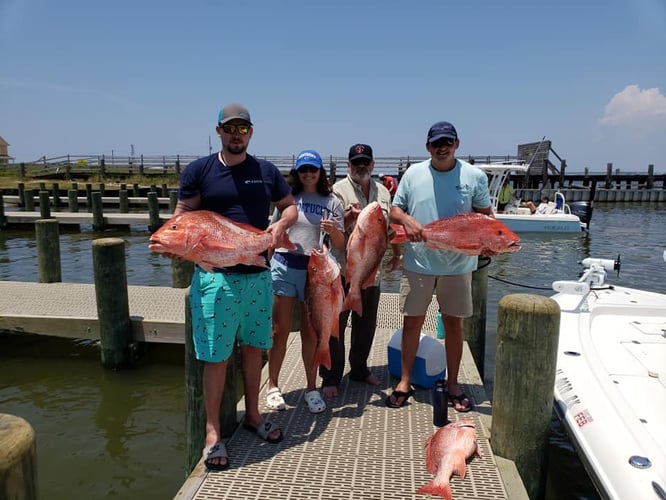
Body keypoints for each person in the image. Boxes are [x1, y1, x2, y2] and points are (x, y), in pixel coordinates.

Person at [175, 103, 297, 471]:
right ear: (218, 132)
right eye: (230, 128)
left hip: (258, 274)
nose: (236, 134)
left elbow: (289, 207)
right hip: (215, 278)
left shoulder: (266, 171)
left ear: (251, 132)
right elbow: (183, 216)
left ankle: (254, 415)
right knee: (215, 355)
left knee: (255, 348)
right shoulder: (200, 170)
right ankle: (213, 432)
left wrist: (278, 228)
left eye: (242, 128)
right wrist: (181, 242)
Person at [387, 121, 493, 412]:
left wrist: (486, 243)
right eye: (436, 143)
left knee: (454, 326)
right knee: (412, 322)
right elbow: (396, 210)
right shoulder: (413, 173)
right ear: (428, 147)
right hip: (419, 261)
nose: (442, 147)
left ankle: (454, 383)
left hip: (459, 265)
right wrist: (408, 221)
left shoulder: (474, 176)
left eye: (447, 142)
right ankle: (405, 381)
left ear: (457, 144)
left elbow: (485, 217)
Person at [319, 143, 403, 398]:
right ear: (349, 166)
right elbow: (328, 233)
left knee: (366, 324)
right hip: (344, 271)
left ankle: (359, 369)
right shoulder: (337, 191)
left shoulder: (383, 193)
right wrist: (347, 218)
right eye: (356, 163)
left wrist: (398, 254)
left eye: (365, 162)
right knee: (336, 325)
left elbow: (387, 231)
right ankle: (331, 377)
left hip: (372, 271)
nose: (361, 166)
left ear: (373, 164)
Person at [266, 150, 345, 414]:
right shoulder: (286, 198)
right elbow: (273, 233)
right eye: (303, 170)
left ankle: (311, 388)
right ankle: (273, 386)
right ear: (297, 173)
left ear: (321, 171)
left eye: (313, 169)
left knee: (311, 333)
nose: (308, 174)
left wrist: (333, 231)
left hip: (317, 273)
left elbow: (340, 244)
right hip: (285, 265)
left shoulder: (332, 201)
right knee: (279, 331)